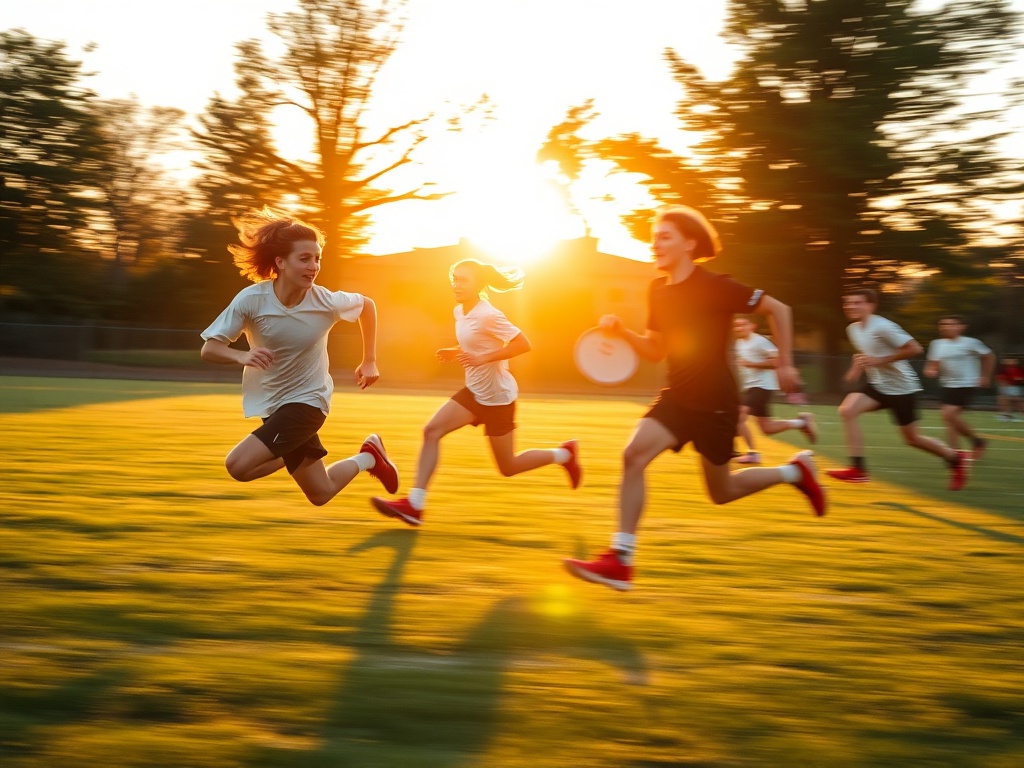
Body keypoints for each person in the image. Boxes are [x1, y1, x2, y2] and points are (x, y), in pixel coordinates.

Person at [563, 205, 825, 592]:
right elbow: (655, 349)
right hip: (677, 396)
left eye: (664, 236)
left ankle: (794, 472)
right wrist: (621, 332)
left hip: (716, 402)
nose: (656, 244)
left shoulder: (715, 286)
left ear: (689, 243)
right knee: (633, 455)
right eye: (654, 238)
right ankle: (621, 560)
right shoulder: (658, 290)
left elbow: (779, 309)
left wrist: (785, 363)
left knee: (722, 492)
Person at [200, 209, 399, 506]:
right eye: (305, 258)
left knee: (238, 466)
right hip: (273, 405)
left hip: (308, 404)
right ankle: (369, 457)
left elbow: (367, 305)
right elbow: (210, 349)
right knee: (321, 492)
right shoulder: (251, 300)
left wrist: (369, 359)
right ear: (280, 262)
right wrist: (242, 356)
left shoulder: (325, 302)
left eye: (317, 258)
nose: (314, 266)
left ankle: (294, 448)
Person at [370, 259, 581, 526]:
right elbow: (475, 340)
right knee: (431, 431)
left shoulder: (489, 314)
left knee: (508, 467)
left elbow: (523, 343)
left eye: (464, 280)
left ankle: (565, 455)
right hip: (474, 393)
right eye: (455, 279)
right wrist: (455, 350)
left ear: (478, 284)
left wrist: (485, 359)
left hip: (498, 399)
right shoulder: (460, 311)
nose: (457, 285)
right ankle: (415, 504)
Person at [826, 289, 969, 489]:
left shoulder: (883, 326)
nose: (850, 306)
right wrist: (856, 366)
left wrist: (880, 360)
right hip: (878, 385)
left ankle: (954, 458)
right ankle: (858, 469)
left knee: (913, 439)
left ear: (870, 306)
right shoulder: (853, 329)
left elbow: (915, 348)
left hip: (902, 388)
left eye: (857, 302)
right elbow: (867, 353)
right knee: (847, 410)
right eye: (847, 303)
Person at [732, 315, 817, 464]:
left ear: (752, 326)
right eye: (736, 326)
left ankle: (752, 453)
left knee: (738, 417)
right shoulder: (738, 343)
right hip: (750, 387)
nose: (738, 328)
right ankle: (801, 423)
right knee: (767, 428)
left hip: (762, 386)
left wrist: (751, 364)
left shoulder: (759, 341)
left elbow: (777, 361)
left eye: (742, 325)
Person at [923, 315, 994, 458]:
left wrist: (985, 376)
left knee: (948, 415)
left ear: (961, 327)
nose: (946, 327)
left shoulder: (971, 343)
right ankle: (958, 450)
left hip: (966, 383)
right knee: (949, 418)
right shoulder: (936, 344)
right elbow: (932, 364)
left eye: (951, 324)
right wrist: (930, 370)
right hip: (947, 384)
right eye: (943, 324)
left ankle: (969, 445)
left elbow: (989, 356)